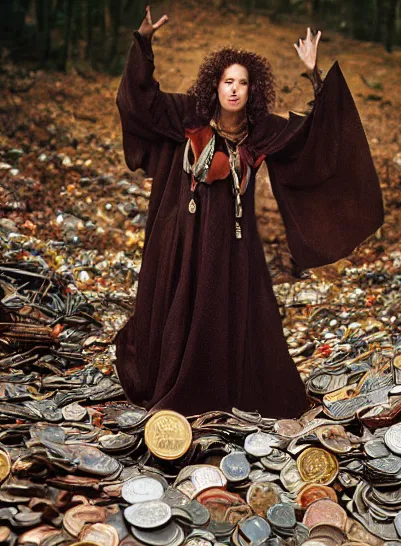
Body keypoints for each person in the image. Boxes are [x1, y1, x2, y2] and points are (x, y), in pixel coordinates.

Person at [114, 5, 384, 419]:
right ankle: (178, 385)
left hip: (235, 244)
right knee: (185, 304)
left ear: (252, 90)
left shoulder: (261, 132)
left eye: (242, 83)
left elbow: (313, 137)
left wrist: (314, 74)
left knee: (234, 311)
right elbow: (141, 101)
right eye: (227, 81)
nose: (234, 90)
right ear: (216, 85)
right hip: (186, 237)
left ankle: (230, 391)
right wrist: (144, 43)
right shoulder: (189, 114)